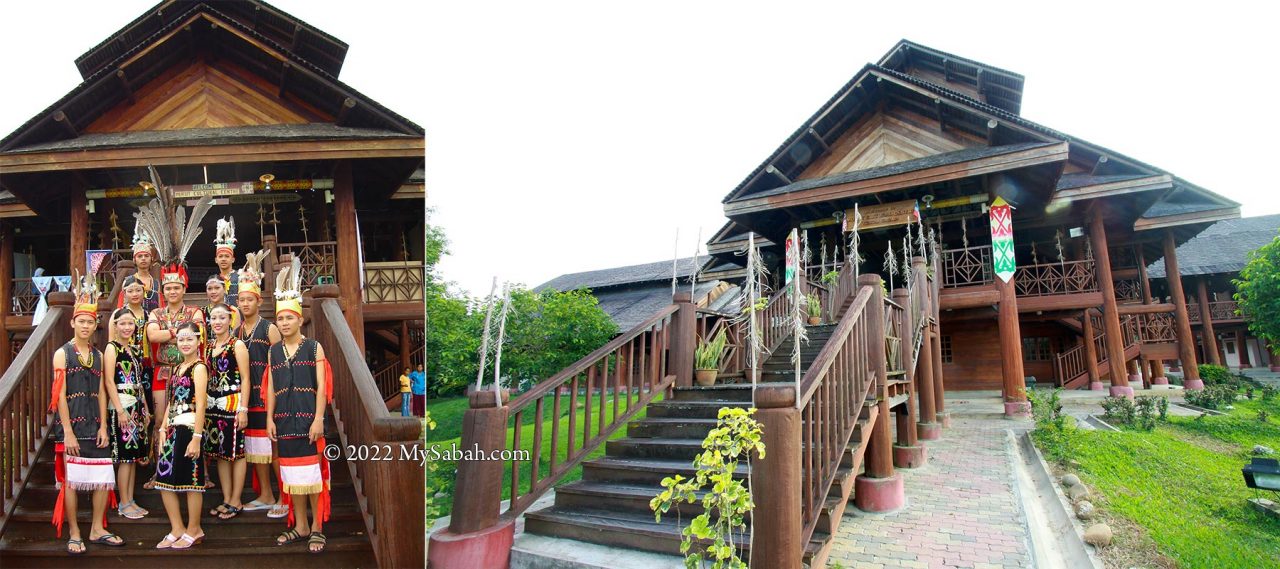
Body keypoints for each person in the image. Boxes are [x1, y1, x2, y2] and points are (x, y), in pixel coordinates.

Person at [134, 166, 212, 490]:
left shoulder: (196, 310)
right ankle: (159, 471)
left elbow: (195, 334)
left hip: (189, 372)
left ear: (183, 287)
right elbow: (153, 336)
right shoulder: (156, 313)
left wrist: (176, 332)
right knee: (161, 420)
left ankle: (199, 473)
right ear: (163, 291)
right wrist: (181, 333)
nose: (171, 292)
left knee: (194, 419)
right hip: (163, 372)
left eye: (176, 288)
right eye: (167, 289)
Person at [50, 276, 125, 554]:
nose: (85, 326)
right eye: (80, 321)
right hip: (72, 426)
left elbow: (104, 391)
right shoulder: (63, 354)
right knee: (71, 481)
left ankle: (97, 528)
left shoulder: (97, 354)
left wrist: (105, 426)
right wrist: (67, 431)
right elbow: (59, 394)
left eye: (90, 322)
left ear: (96, 325)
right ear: (72, 323)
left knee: (102, 478)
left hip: (96, 424)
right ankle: (74, 532)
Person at [266, 257, 332, 553]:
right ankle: (301, 525)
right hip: (283, 420)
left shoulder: (313, 347)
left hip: (308, 420)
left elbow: (322, 387)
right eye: (280, 319)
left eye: (289, 318)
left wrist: (319, 418)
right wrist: (269, 420)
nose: (284, 323)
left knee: (313, 477)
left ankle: (317, 527)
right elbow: (270, 388)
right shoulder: (273, 352)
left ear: (300, 319)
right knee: (293, 478)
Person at [234, 250, 287, 518]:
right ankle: (265, 493)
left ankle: (283, 496)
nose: (245, 303)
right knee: (256, 451)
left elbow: (280, 366)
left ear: (259, 300)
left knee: (274, 449)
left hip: (268, 398)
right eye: (241, 299)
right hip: (248, 399)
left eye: (249, 299)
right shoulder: (237, 331)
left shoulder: (269, 329)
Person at [152, 322, 208, 549]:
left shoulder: (199, 368)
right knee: (163, 481)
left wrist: (197, 437)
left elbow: (202, 403)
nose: (185, 343)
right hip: (172, 429)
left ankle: (194, 529)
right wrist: (163, 428)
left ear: (198, 341)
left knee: (191, 481)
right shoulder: (177, 369)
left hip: (189, 428)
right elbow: (172, 401)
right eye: (181, 339)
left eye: (189, 339)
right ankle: (177, 527)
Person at [204, 303, 252, 520]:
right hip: (213, 405)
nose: (217, 322)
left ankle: (236, 499)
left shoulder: (237, 345)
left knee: (237, 452)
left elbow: (246, 378)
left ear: (230, 320)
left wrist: (244, 408)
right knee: (220, 454)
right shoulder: (208, 346)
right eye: (214, 318)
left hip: (233, 402)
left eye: (222, 318)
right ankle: (226, 497)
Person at [103, 307, 151, 521]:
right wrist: (120, 410)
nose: (126, 327)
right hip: (122, 406)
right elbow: (109, 381)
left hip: (137, 407)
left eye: (130, 323)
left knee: (133, 457)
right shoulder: (112, 348)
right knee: (124, 457)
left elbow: (140, 383)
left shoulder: (134, 350)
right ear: (115, 326)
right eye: (122, 323)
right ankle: (123, 502)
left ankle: (130, 500)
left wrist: (146, 409)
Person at [212, 217, 240, 298]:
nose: (223, 259)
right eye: (220, 256)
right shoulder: (214, 279)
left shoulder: (240, 277)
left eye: (227, 256)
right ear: (216, 260)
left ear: (233, 259)